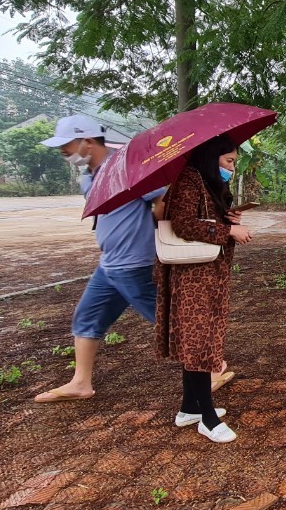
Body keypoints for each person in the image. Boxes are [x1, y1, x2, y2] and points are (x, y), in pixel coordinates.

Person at [34, 115, 166, 402]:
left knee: (166, 319)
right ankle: (81, 382)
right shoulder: (88, 179)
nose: (63, 152)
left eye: (66, 145)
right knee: (87, 318)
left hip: (134, 262)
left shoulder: (129, 168)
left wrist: (155, 218)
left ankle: (213, 367)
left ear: (88, 142)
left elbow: (163, 196)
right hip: (110, 263)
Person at [155, 134, 252, 443]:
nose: (232, 168)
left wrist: (228, 218)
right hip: (192, 279)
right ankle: (207, 419)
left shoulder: (206, 183)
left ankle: (189, 408)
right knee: (199, 343)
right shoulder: (188, 179)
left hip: (208, 275)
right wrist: (228, 230)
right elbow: (182, 223)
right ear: (213, 159)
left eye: (234, 163)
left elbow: (202, 218)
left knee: (200, 341)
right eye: (229, 161)